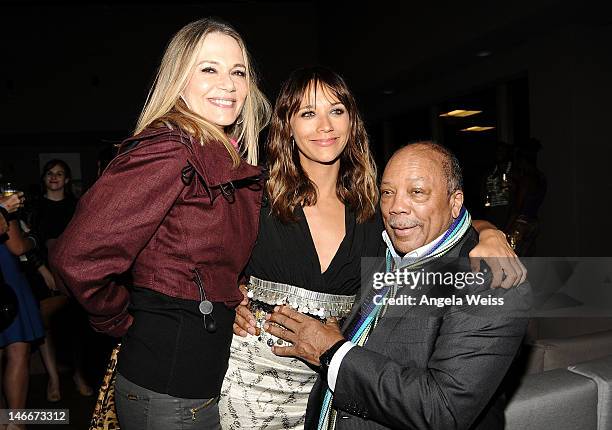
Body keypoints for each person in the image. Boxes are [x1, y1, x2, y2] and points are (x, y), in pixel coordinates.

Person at [221, 67, 526, 429]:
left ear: (352, 120)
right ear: (286, 124)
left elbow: (436, 225)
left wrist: (490, 232)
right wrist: (227, 296)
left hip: (331, 384)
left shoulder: (373, 206)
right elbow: (197, 257)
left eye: (336, 111)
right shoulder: (252, 192)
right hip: (252, 380)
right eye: (308, 113)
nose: (325, 126)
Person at [49, 17, 270, 429]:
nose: (228, 84)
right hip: (170, 387)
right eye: (209, 69)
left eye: (237, 72)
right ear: (179, 79)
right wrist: (120, 316)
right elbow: (76, 257)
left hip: (193, 380)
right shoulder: (172, 149)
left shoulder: (214, 152)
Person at [266, 142, 530, 430]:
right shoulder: (384, 251)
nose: (396, 207)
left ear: (455, 203)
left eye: (417, 192)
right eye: (388, 192)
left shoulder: (494, 282)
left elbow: (441, 410)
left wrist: (332, 352)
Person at [26, 159, 93, 402]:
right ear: (44, 178)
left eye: (60, 173)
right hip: (41, 274)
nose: (54, 177)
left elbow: (84, 243)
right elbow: (25, 243)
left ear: (66, 180)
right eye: (50, 173)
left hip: (71, 276)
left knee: (76, 327)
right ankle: (53, 378)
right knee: (44, 328)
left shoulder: (77, 207)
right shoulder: (33, 208)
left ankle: (78, 374)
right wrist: (43, 270)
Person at [0, 198, 45, 430]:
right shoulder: (4, 203)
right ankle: (16, 423)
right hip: (7, 280)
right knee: (17, 350)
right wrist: (35, 239)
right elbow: (17, 246)